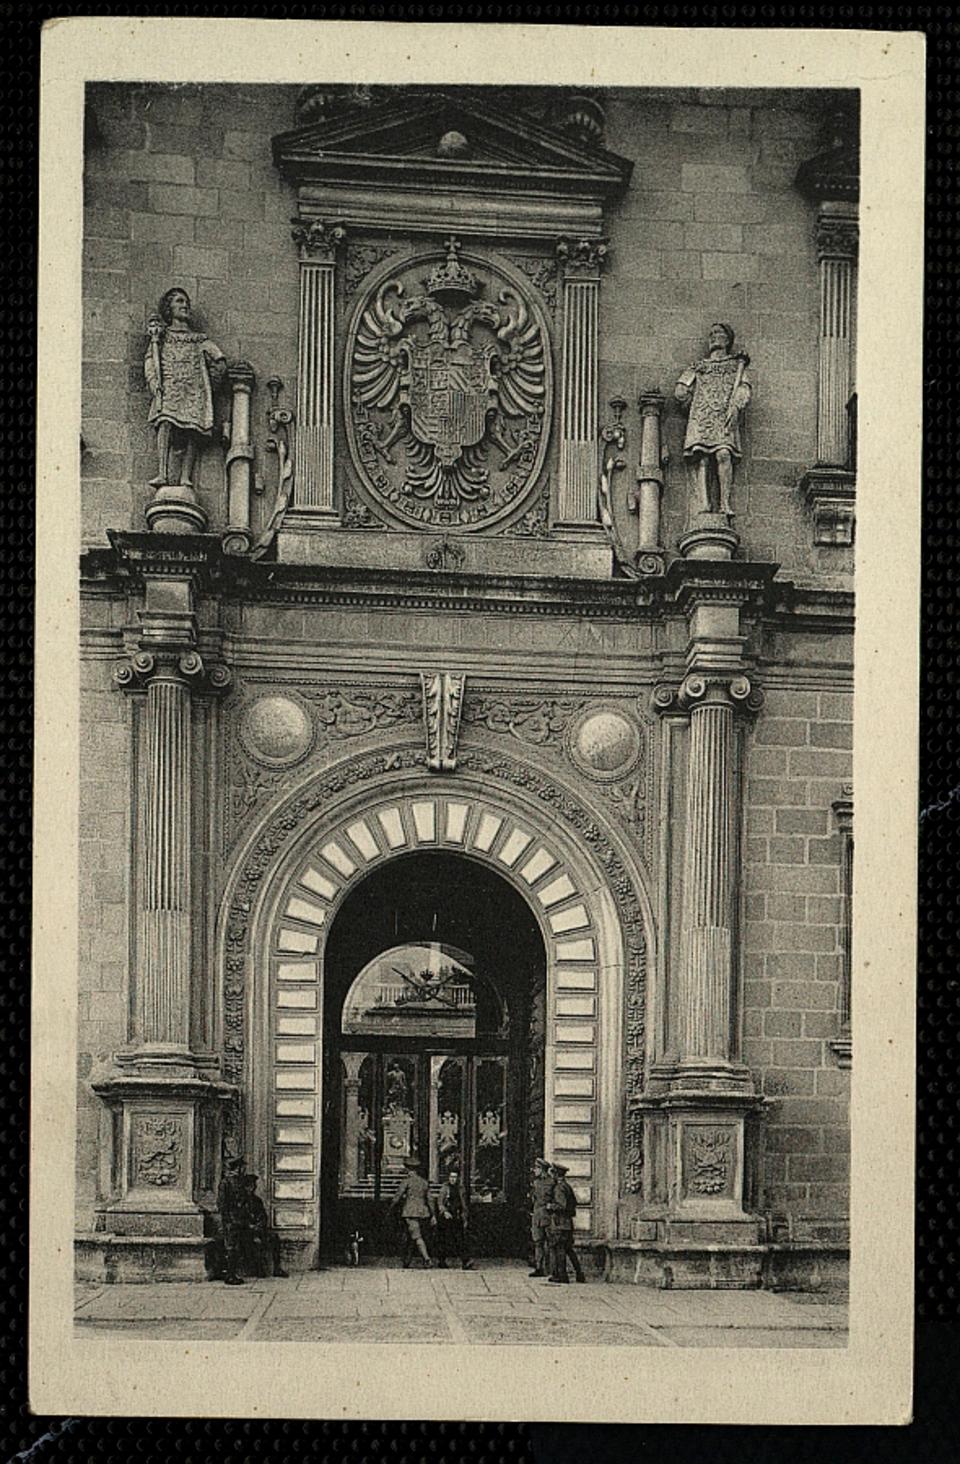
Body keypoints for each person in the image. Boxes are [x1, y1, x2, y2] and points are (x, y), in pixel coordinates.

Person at [144, 286, 226, 488]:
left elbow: (220, 360)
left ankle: (185, 477)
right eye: (179, 301)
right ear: (169, 308)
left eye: (186, 301)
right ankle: (162, 473)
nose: (185, 305)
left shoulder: (199, 339)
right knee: (164, 423)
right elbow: (150, 362)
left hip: (192, 390)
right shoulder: (160, 339)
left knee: (192, 430)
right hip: (169, 388)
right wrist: (154, 384)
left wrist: (209, 387)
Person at [674, 322, 752, 518]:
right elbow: (681, 389)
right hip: (703, 414)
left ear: (727, 339)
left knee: (723, 454)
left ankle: (725, 503)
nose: (712, 337)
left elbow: (744, 388)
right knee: (702, 458)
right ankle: (704, 502)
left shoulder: (736, 366)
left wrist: (736, 405)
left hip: (725, 415)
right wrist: (690, 402)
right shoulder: (699, 366)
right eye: (711, 333)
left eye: (717, 333)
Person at [390, 1156, 436, 1268]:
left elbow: (397, 1197)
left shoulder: (406, 1182)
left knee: (416, 1236)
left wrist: (391, 1208)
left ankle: (427, 1259)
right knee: (412, 1236)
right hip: (423, 1213)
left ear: (407, 1169)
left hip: (410, 1212)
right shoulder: (424, 1182)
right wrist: (433, 1214)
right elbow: (430, 1199)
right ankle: (407, 1261)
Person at [241, 1173, 289, 1278]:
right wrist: (249, 1226)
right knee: (253, 1242)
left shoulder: (257, 1201)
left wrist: (259, 1225)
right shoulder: (240, 1201)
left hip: (257, 1229)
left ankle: (277, 1268)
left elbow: (263, 1216)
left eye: (254, 1185)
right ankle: (257, 1269)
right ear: (245, 1187)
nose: (253, 1188)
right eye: (250, 1186)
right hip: (244, 1231)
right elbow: (239, 1218)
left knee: (273, 1237)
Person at [546, 1163, 585, 1285]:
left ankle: (562, 1276)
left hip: (559, 1223)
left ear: (556, 1174)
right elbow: (573, 1204)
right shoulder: (567, 1186)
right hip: (567, 1223)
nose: (551, 1176)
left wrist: (550, 1206)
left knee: (560, 1249)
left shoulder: (559, 1188)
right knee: (568, 1249)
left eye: (552, 1174)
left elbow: (561, 1205)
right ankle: (580, 1274)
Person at [216, 1156, 248, 1286]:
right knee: (231, 1247)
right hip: (230, 1220)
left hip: (238, 1219)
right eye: (242, 1167)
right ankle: (230, 1275)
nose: (243, 1169)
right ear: (237, 1168)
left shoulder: (238, 1182)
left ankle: (233, 1273)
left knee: (236, 1247)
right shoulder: (226, 1183)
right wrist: (227, 1219)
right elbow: (222, 1203)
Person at [436, 1167, 473, 1270]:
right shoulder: (444, 1188)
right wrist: (444, 1212)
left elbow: (464, 1203)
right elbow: (440, 1202)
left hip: (457, 1216)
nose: (453, 1179)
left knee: (460, 1239)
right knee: (445, 1239)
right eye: (451, 1177)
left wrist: (465, 1216)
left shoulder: (461, 1188)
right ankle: (442, 1261)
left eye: (455, 1177)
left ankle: (465, 1261)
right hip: (447, 1216)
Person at [528, 1157, 555, 1278]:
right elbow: (533, 1199)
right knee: (537, 1242)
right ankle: (539, 1267)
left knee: (550, 1243)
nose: (534, 1170)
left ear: (542, 1169)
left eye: (536, 1168)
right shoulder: (536, 1182)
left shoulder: (552, 1182)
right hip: (537, 1215)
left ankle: (551, 1269)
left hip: (548, 1216)